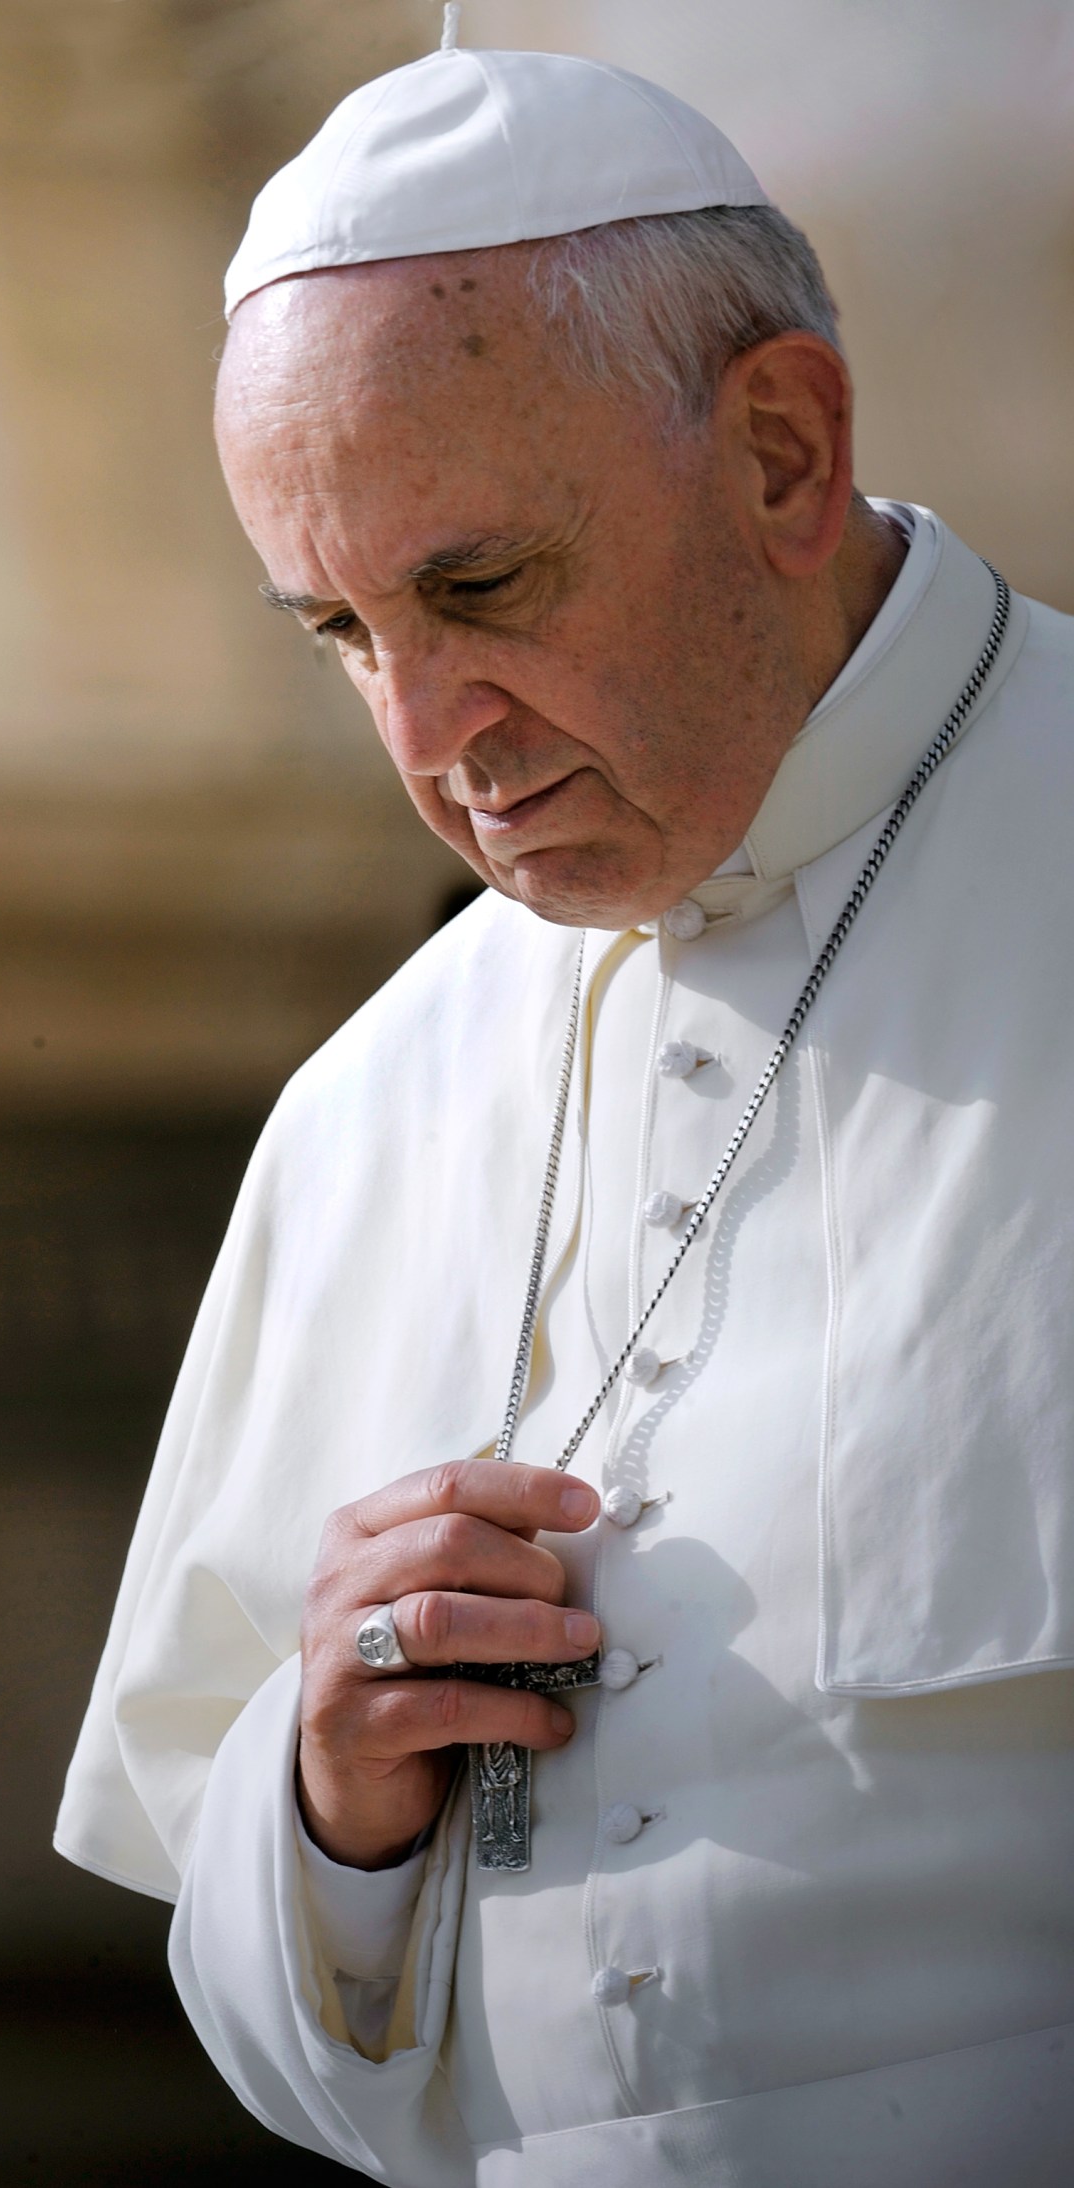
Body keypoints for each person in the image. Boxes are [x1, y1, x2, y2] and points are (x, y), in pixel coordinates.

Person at [56, 26, 1074, 2185]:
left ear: (786, 455)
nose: (429, 736)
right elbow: (286, 2040)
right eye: (340, 628)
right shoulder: (366, 1103)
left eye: (480, 588)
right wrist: (326, 1804)